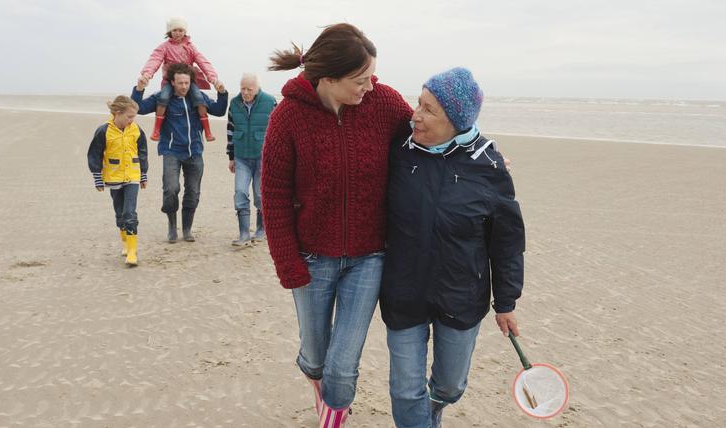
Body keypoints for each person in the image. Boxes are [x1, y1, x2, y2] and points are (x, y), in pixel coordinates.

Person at [261, 23, 413, 427]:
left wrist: (479, 155)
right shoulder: (287, 117)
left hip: (369, 257)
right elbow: (273, 196)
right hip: (313, 258)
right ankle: (317, 381)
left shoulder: (385, 103)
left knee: (342, 368)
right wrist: (288, 264)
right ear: (328, 79)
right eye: (360, 80)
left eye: (371, 76)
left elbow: (425, 139)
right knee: (316, 356)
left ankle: (332, 415)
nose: (370, 86)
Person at [379, 67, 526, 428]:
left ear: (456, 121)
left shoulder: (488, 165)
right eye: (419, 103)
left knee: (448, 386)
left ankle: (433, 410)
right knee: (405, 390)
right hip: (403, 291)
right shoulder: (398, 150)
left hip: (461, 295)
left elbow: (507, 241)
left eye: (430, 110)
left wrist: (506, 302)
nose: (416, 114)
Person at [132, 63, 228, 243]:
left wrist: (222, 93)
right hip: (171, 151)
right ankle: (171, 225)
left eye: (187, 83)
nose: (184, 86)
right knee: (171, 189)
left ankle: (187, 229)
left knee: (193, 192)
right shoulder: (162, 98)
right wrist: (139, 89)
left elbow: (219, 110)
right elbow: (139, 108)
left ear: (191, 82)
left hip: (195, 152)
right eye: (180, 83)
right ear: (173, 82)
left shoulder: (198, 99)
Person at [86, 95, 149, 266]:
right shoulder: (103, 131)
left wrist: (143, 174)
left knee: (130, 212)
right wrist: (97, 178)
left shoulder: (136, 130)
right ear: (118, 113)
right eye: (129, 116)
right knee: (120, 213)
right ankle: (124, 242)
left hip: (133, 177)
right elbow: (95, 154)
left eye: (134, 117)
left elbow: (142, 151)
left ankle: (132, 251)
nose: (131, 120)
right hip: (114, 177)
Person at [140, 16, 223, 142]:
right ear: (169, 32)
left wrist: (213, 78)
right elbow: (155, 60)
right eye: (174, 30)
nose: (178, 33)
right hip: (170, 80)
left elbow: (202, 61)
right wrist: (147, 74)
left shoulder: (190, 47)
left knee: (199, 99)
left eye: (180, 30)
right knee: (163, 98)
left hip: (188, 80)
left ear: (185, 32)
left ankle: (208, 131)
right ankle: (156, 129)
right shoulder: (164, 47)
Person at [225, 73, 276, 246]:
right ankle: (244, 234)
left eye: (249, 89)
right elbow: (230, 131)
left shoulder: (270, 102)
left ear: (257, 88)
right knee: (240, 192)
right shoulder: (234, 103)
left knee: (260, 195)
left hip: (263, 159)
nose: (245, 92)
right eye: (242, 88)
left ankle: (261, 229)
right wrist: (231, 157)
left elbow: (279, 131)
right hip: (241, 158)